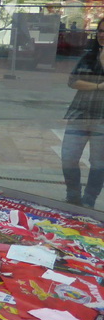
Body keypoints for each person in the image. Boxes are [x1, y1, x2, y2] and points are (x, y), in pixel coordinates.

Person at [61, 18, 104, 208]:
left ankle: (89, 201)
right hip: (80, 113)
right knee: (68, 157)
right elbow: (72, 81)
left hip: (102, 118)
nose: (102, 35)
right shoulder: (89, 54)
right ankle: (73, 196)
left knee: (98, 163)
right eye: (101, 31)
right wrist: (98, 86)